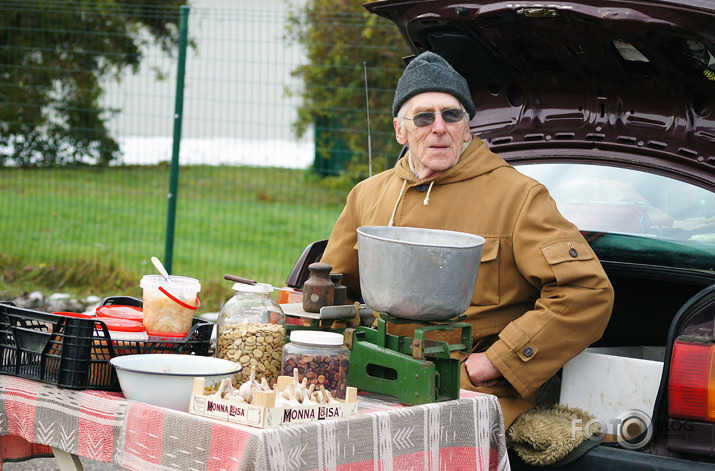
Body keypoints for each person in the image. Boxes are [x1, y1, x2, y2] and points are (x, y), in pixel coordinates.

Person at [320, 51, 614, 427]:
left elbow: (587, 292)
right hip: (373, 379)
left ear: (468, 127)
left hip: (466, 390)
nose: (439, 127)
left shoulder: (518, 197)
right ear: (400, 130)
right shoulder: (367, 195)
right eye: (424, 117)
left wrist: (503, 360)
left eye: (452, 115)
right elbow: (331, 290)